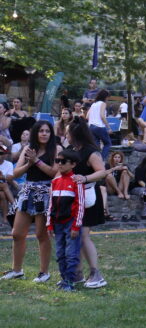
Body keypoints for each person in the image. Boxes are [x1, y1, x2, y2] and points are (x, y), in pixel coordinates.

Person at [2, 120, 61, 282]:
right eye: (41, 131)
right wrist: (29, 163)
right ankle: (17, 270)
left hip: (46, 192)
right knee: (17, 233)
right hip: (28, 191)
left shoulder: (56, 149)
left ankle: (44, 272)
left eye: (47, 131)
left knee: (41, 234)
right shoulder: (28, 149)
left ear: (51, 133)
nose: (44, 134)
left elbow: (54, 173)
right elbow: (15, 173)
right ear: (35, 133)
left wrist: (37, 161)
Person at [66, 117, 112, 288]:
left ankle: (95, 273)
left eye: (68, 132)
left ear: (74, 134)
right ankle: (77, 273)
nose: (65, 135)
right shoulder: (70, 149)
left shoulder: (91, 152)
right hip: (74, 197)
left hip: (88, 197)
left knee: (83, 235)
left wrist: (84, 178)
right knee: (75, 235)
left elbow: (102, 172)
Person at [46, 149, 84, 292]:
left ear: (73, 164)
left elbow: (80, 204)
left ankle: (70, 281)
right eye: (57, 161)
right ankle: (64, 279)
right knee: (60, 253)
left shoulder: (76, 182)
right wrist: (49, 224)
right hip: (57, 222)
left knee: (71, 253)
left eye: (63, 161)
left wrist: (76, 226)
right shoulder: (55, 182)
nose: (59, 164)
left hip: (70, 222)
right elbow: (51, 204)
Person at [87, 89, 113, 161]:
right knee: (107, 144)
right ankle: (101, 160)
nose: (108, 99)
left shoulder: (93, 104)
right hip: (99, 126)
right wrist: (108, 127)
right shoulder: (103, 103)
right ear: (105, 97)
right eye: (108, 97)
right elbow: (102, 116)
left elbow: (87, 116)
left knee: (96, 146)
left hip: (91, 127)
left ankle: (95, 161)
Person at [0, 146, 16, 223]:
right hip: (4, 186)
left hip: (3, 187)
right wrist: (3, 177)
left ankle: (5, 218)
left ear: (6, 155)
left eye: (1, 153)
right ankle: (15, 206)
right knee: (5, 186)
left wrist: (2, 177)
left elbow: (10, 178)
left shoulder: (9, 164)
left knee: (2, 195)